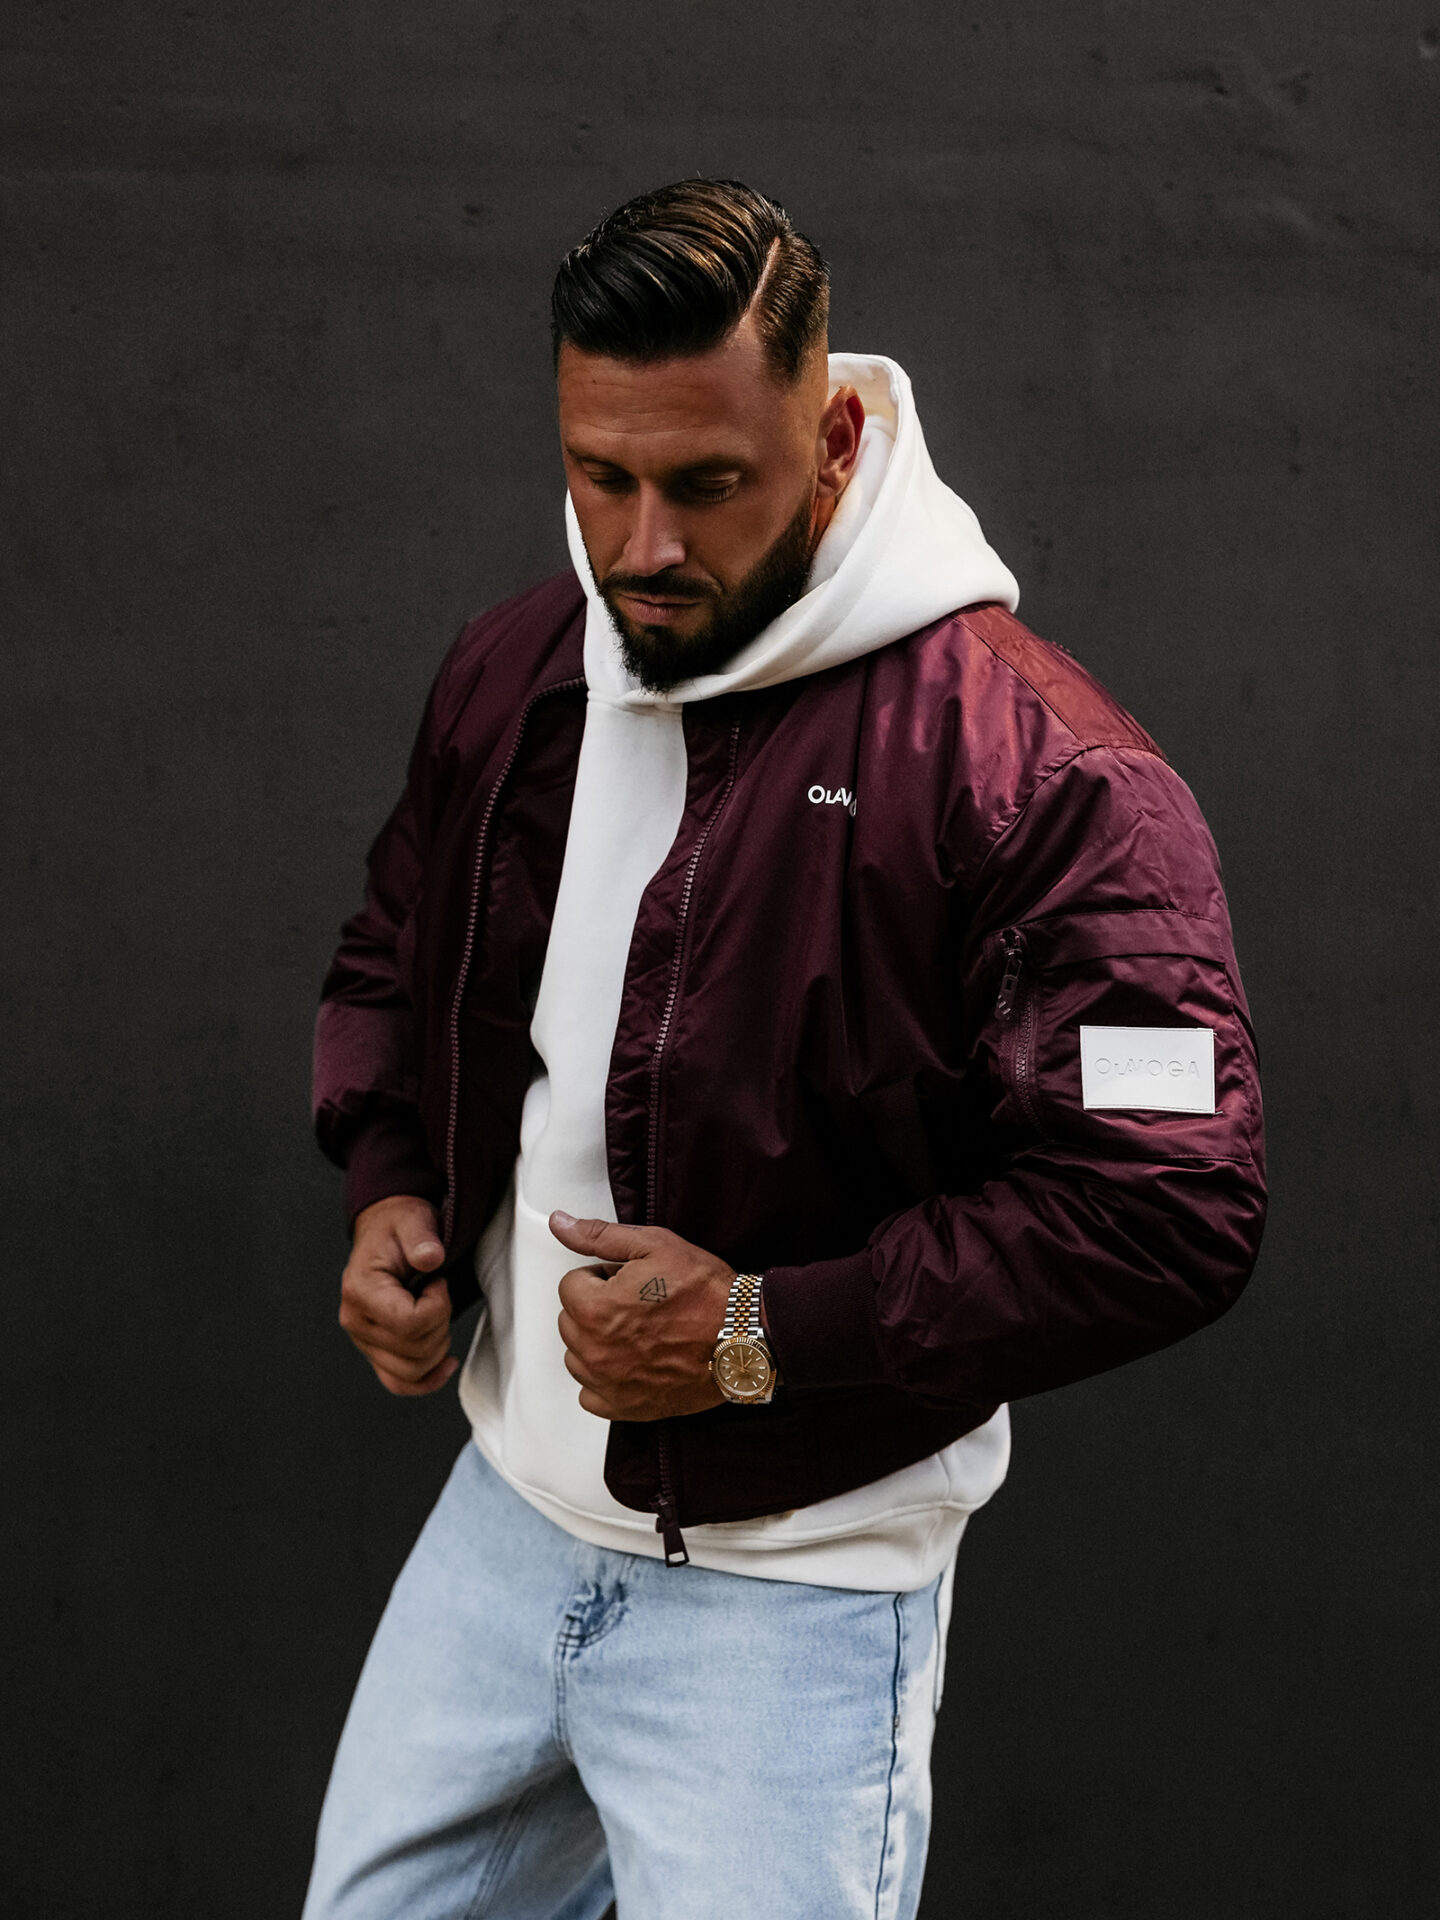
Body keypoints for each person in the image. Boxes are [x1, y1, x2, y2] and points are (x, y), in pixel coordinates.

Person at [303, 178, 1266, 1920]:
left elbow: (1165, 1206)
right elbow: (394, 948)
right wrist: (392, 1189)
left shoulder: (1039, 774)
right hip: (507, 1520)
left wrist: (755, 1332)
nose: (643, 547)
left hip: (796, 1591)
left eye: (705, 485)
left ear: (829, 443)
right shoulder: (520, 674)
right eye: (601, 477)